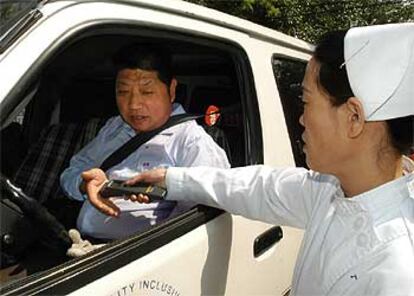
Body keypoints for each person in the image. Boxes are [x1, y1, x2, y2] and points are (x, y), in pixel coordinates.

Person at [107, 24, 413, 295]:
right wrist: (170, 178)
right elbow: (258, 185)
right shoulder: (331, 191)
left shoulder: (398, 272)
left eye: (305, 101)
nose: (301, 119)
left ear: (354, 118)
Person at [60, 44, 230, 240]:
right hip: (76, 244)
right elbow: (70, 173)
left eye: (147, 92)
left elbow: (199, 224)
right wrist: (84, 184)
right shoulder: (114, 127)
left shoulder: (192, 142)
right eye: (123, 92)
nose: (133, 105)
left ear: (172, 90)